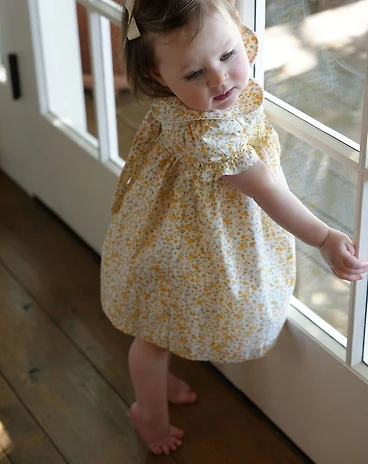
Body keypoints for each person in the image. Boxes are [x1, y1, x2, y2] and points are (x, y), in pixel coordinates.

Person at [101, 0, 368, 456]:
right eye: (194, 74)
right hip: (181, 241)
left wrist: (200, 69)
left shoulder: (190, 84)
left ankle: (158, 382)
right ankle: (148, 410)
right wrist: (324, 237)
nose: (220, 79)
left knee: (162, 322)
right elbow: (267, 191)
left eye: (228, 55)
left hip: (174, 225)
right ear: (158, 77)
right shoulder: (206, 132)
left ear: (239, 33)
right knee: (153, 335)